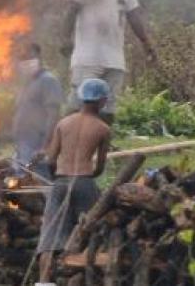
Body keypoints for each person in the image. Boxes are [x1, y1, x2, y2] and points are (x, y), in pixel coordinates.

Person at [62, 0, 158, 123]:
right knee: (79, 102)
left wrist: (147, 44)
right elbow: (71, 11)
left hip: (114, 58)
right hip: (88, 58)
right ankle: (64, 140)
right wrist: (65, 39)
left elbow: (134, 16)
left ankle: (102, 143)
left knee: (108, 105)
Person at [35, 78, 113, 286]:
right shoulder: (103, 128)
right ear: (102, 101)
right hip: (85, 183)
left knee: (50, 238)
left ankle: (44, 282)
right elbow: (100, 168)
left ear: (81, 99)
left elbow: (50, 159)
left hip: (61, 182)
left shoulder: (64, 123)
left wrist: (57, 176)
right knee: (95, 232)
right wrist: (88, 177)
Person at [11, 42, 63, 176]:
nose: (26, 62)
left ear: (39, 58)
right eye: (23, 59)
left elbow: (54, 115)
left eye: (30, 57)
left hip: (38, 145)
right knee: (21, 183)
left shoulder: (48, 81)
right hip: (23, 143)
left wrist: (45, 147)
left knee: (38, 182)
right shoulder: (27, 83)